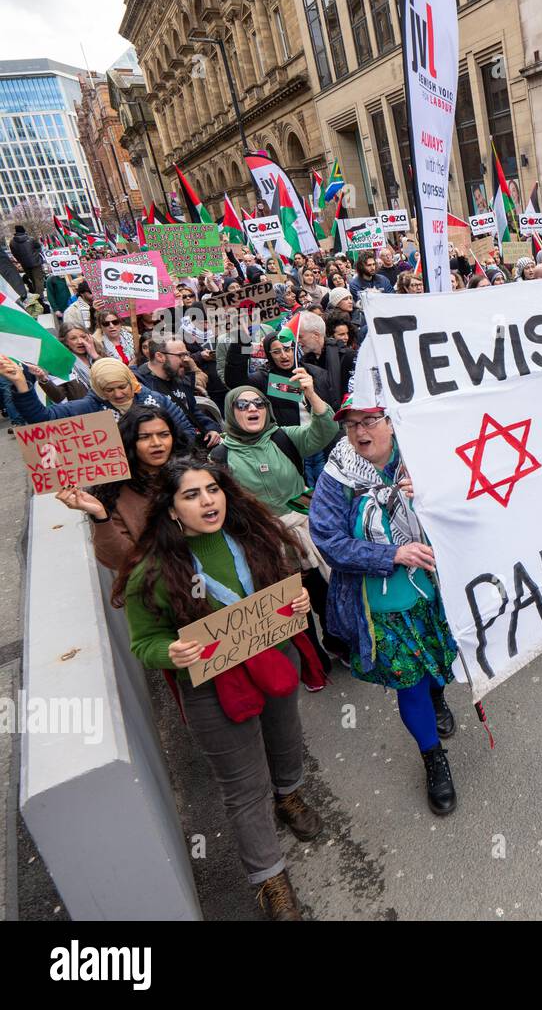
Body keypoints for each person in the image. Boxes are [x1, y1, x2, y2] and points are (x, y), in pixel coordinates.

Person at [116, 458, 324, 920]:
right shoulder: (149, 571)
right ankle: (270, 877)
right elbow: (144, 642)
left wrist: (299, 600)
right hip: (211, 684)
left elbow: (285, 589)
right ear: (171, 510)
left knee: (286, 740)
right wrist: (170, 652)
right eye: (191, 495)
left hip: (272, 660)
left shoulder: (257, 536)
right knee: (243, 784)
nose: (208, 501)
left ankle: (288, 795)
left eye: (212, 489)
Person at [308, 397, 461, 815]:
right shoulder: (336, 477)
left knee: (439, 662)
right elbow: (327, 540)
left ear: (392, 423)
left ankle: (439, 698)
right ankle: (433, 758)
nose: (361, 431)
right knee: (408, 681)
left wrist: (430, 498)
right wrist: (391, 555)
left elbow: (465, 508)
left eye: (370, 420)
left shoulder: (423, 457)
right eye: (352, 424)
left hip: (433, 593)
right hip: (380, 607)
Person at [216, 379, 343, 663]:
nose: (253, 408)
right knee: (292, 605)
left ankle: (338, 645)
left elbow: (327, 428)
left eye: (259, 403)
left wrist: (310, 392)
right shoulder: (220, 457)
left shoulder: (283, 437)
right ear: (230, 412)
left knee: (324, 594)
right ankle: (314, 664)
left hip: (305, 532)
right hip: (264, 542)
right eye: (243, 404)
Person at [54, 404, 191, 570]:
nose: (157, 443)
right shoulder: (114, 492)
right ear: (129, 441)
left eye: (164, 435)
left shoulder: (194, 475)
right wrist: (100, 516)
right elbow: (120, 560)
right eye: (144, 437)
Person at [0, 355, 197, 437]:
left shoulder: (158, 401)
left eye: (122, 387)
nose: (118, 394)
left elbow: (186, 432)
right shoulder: (89, 407)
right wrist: (20, 383)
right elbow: (42, 418)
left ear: (132, 382)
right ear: (98, 388)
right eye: (109, 390)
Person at [225, 323, 333, 430]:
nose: (284, 356)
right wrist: (240, 343)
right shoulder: (265, 378)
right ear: (269, 355)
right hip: (289, 442)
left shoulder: (316, 373)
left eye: (287, 349)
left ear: (294, 350)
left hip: (320, 436)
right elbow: (235, 381)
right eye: (276, 352)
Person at [136, 336, 224, 447]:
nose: (186, 359)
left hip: (193, 444)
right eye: (180, 355)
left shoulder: (178, 375)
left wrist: (211, 429)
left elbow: (193, 411)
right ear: (160, 356)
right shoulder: (141, 385)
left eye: (186, 354)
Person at [8, 225, 45, 299]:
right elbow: (39, 248)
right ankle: (40, 297)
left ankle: (37, 296)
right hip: (36, 263)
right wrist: (38, 256)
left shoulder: (12, 242)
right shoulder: (31, 239)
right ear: (23, 230)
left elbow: (14, 253)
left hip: (25, 264)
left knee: (33, 279)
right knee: (38, 279)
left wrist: (20, 261)